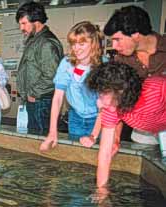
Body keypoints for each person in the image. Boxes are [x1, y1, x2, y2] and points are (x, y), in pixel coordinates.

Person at [85, 62, 166, 188]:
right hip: (158, 131)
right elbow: (105, 155)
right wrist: (101, 192)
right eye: (99, 94)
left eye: (104, 93)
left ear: (121, 91)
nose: (99, 102)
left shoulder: (157, 88)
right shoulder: (111, 109)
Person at [104, 5, 166, 143]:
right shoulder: (121, 60)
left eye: (117, 39)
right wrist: (116, 137)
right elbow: (117, 100)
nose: (114, 46)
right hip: (141, 132)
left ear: (136, 35)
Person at [40, 21, 104, 151]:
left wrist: (93, 135)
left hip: (98, 119)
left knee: (96, 153)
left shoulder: (103, 66)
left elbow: (105, 107)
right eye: (73, 43)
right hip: (75, 116)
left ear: (94, 43)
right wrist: (52, 131)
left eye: (82, 43)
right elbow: (57, 98)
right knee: (75, 153)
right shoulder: (67, 63)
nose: (76, 48)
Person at [16, 1, 63, 135]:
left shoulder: (46, 43)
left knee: (41, 141)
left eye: (24, 23)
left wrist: (33, 93)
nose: (21, 28)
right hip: (36, 101)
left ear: (36, 21)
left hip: (41, 101)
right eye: (20, 24)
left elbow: (52, 76)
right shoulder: (35, 40)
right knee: (35, 141)